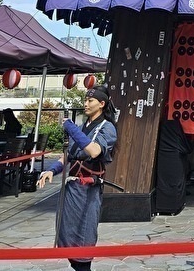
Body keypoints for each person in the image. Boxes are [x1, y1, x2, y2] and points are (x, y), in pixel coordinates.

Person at [38, 85, 117, 271]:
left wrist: (72, 129)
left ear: (102, 103)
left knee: (84, 238)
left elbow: (94, 151)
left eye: (90, 101)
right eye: (85, 100)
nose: (86, 104)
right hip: (72, 189)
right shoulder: (83, 127)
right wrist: (52, 170)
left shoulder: (108, 128)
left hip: (88, 190)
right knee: (69, 238)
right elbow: (68, 155)